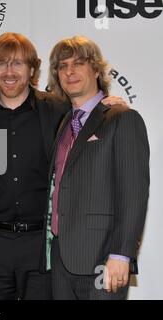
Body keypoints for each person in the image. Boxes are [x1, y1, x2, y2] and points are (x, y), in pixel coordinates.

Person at [0, 32, 126, 300]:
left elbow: (88, 112)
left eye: (18, 64)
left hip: (43, 245)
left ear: (32, 70)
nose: (9, 72)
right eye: (1, 64)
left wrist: (105, 106)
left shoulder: (59, 109)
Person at [45, 35, 149, 299]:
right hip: (61, 260)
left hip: (104, 260)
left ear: (96, 69)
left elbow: (134, 193)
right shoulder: (65, 122)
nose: (70, 71)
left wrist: (121, 254)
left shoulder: (122, 119)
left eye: (79, 63)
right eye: (63, 65)